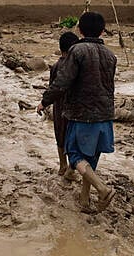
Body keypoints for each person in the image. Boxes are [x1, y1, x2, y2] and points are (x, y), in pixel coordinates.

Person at [37, 12, 117, 213]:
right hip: (105, 115)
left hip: (82, 114)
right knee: (90, 160)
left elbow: (63, 82)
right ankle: (84, 200)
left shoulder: (77, 50)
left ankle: (102, 189)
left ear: (80, 30)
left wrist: (45, 101)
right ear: (101, 30)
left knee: (75, 156)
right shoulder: (110, 55)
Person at [49, 31, 80, 179]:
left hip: (59, 106)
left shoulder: (56, 66)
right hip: (74, 107)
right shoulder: (77, 66)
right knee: (73, 138)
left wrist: (45, 102)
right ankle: (72, 169)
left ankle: (62, 165)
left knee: (60, 137)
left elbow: (52, 87)